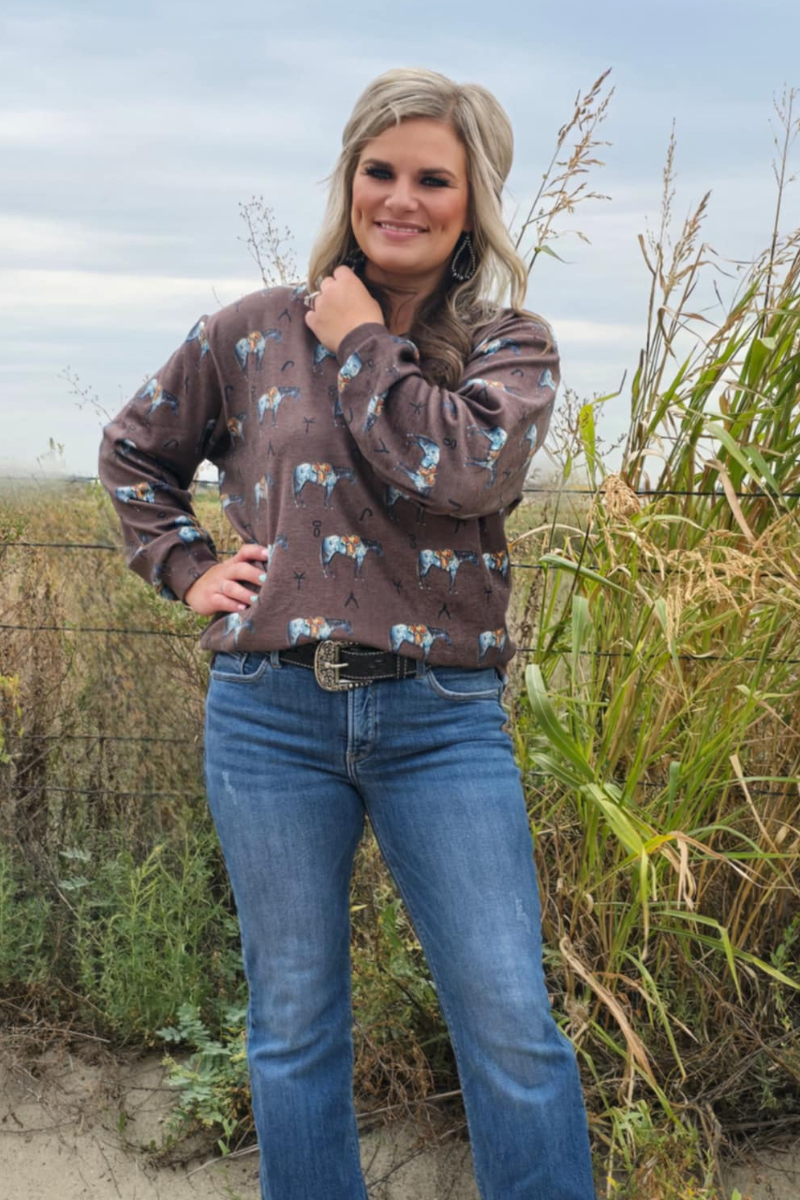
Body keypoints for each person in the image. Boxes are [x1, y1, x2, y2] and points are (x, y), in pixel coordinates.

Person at [98, 66, 596, 1200]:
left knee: (508, 1017)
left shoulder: (509, 347)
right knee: (292, 1018)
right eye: (380, 171)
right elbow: (132, 450)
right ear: (349, 178)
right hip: (269, 717)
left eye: (434, 179)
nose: (400, 198)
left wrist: (366, 339)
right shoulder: (250, 333)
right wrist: (186, 567)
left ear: (475, 202)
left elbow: (461, 472)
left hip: (442, 720)